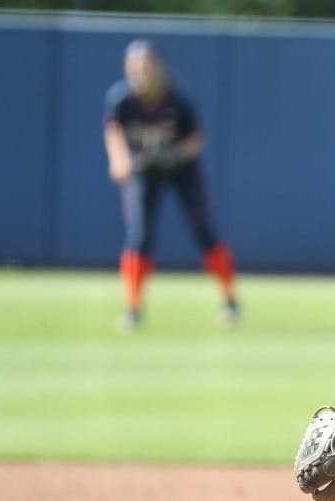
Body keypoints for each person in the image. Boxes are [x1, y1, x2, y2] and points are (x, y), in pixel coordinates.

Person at [103, 39, 238, 330]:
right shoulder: (121, 99)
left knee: (204, 232)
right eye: (133, 67)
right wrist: (119, 160)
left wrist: (173, 154)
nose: (139, 72)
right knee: (139, 236)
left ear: (158, 67)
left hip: (181, 169)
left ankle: (230, 302)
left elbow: (196, 140)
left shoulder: (178, 99)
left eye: (145, 66)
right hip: (143, 169)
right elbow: (113, 130)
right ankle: (133, 309)